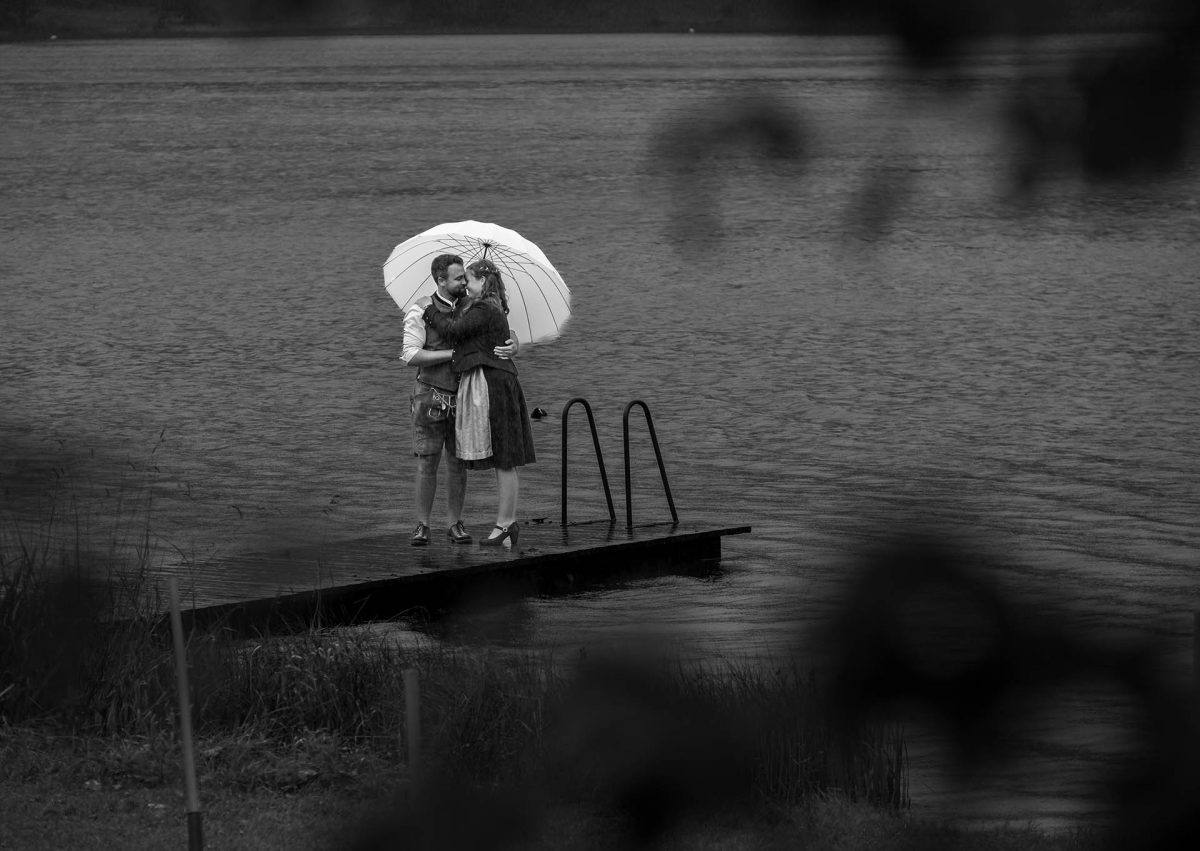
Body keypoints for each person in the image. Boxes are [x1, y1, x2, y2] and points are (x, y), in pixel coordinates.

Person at [401, 253, 517, 546]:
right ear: (441, 280)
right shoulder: (419, 309)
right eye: (458, 278)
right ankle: (422, 525)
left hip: (464, 395)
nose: (464, 282)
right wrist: (451, 355)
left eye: (466, 277)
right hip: (429, 394)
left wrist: (514, 342)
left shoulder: (473, 305)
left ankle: (455, 524)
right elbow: (410, 355)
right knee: (427, 462)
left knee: (458, 463)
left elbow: (498, 326)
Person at [422, 258, 536, 548]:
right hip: (495, 382)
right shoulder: (485, 307)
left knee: (505, 458)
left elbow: (453, 332)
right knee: (503, 457)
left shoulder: (485, 308)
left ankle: (506, 524)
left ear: (482, 282)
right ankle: (506, 524)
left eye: (468, 280)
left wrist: (429, 313)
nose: (464, 286)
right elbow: (489, 334)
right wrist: (514, 341)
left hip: (496, 384)